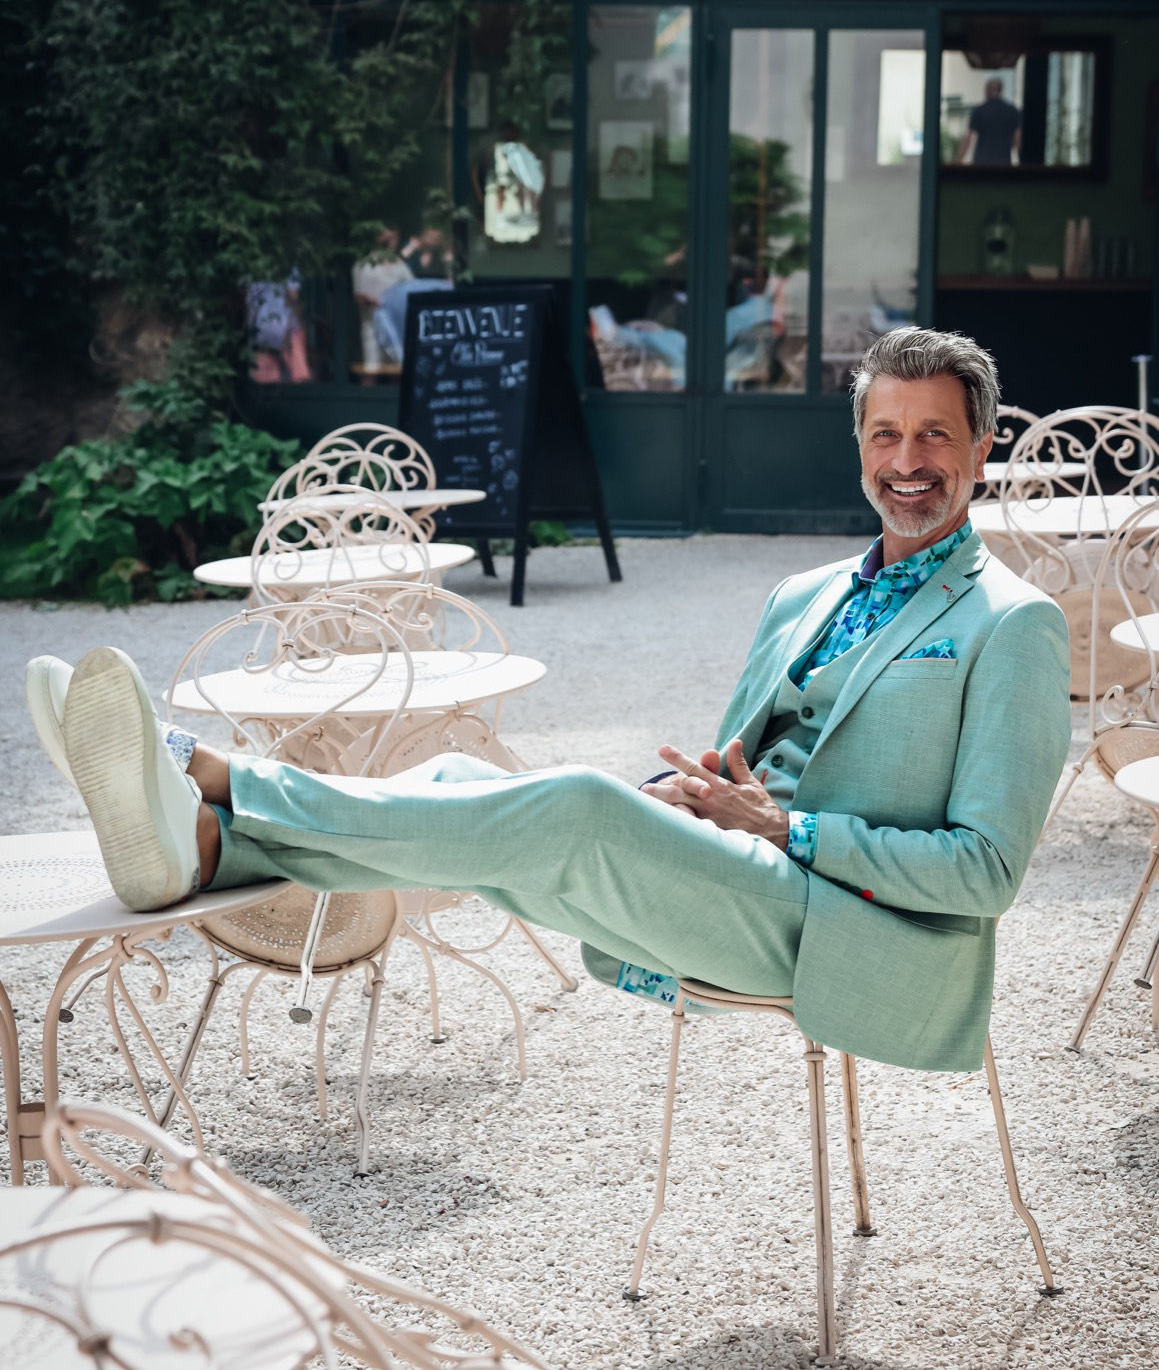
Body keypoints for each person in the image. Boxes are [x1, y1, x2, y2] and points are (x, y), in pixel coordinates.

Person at [28, 328, 1071, 1074]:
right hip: (734, 872)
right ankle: (209, 849)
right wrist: (687, 794)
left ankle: (222, 782)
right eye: (885, 434)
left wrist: (786, 828)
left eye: (935, 437)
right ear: (859, 445)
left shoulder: (1011, 624)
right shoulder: (801, 594)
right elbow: (740, 769)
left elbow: (983, 876)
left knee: (572, 804)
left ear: (981, 448)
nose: (906, 462)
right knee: (453, 776)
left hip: (840, 931)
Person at [351, 229, 412, 375]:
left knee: (397, 372)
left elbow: (411, 289)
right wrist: (372, 301)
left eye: (395, 234)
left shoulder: (400, 265)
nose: (393, 236)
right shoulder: (363, 265)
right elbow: (358, 296)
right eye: (388, 233)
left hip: (396, 329)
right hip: (372, 328)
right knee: (371, 371)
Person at [245, 271, 313, 384]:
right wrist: (299, 324)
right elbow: (293, 297)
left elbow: (247, 302)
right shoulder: (288, 267)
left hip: (259, 331)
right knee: (299, 378)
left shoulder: (251, 268)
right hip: (284, 329)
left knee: (266, 381)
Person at [955, 77, 1022, 166]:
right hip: (1003, 162)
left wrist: (958, 160)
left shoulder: (979, 110)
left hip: (981, 162)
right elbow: (1017, 137)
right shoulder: (1012, 110)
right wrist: (1022, 160)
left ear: (987, 91)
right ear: (1000, 90)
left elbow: (968, 138)